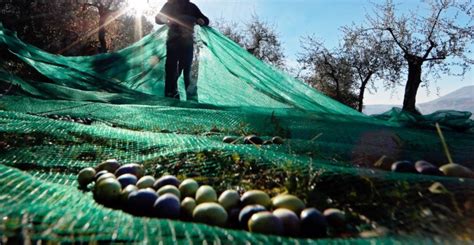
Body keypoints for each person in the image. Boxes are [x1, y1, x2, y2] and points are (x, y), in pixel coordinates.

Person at [155, 0, 209, 100]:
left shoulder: (192, 7)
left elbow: (206, 20)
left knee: (188, 69)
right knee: (171, 67)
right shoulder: (170, 4)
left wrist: (202, 20)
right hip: (173, 40)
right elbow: (157, 19)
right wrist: (166, 19)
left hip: (188, 42)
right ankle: (170, 96)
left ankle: (191, 99)